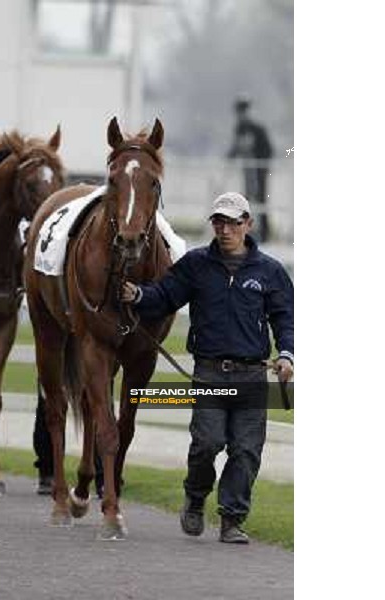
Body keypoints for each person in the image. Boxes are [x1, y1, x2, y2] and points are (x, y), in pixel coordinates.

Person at [120, 192, 293, 544]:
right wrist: (138, 296)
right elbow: (165, 296)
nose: (224, 229)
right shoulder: (195, 265)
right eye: (218, 222)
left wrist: (288, 354)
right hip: (210, 372)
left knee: (246, 451)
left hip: (252, 376)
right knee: (207, 443)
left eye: (232, 222)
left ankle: (232, 520)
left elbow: (285, 318)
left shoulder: (271, 271)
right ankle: (195, 498)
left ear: (248, 223)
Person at [227, 97, 273, 242]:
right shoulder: (239, 129)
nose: (241, 115)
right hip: (247, 171)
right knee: (246, 201)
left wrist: (260, 165)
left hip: (259, 171)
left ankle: (264, 234)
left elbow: (268, 150)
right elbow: (236, 148)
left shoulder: (258, 129)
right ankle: (248, 231)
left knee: (261, 200)